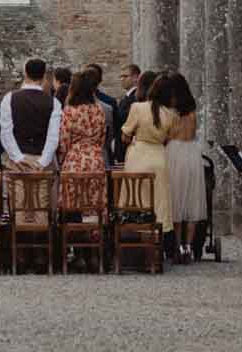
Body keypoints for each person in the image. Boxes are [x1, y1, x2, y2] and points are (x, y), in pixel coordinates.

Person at [119, 70, 175, 241]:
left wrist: (135, 138)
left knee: (135, 197)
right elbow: (167, 139)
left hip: (138, 155)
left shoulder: (138, 108)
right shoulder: (170, 113)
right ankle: (159, 238)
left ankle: (135, 236)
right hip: (158, 155)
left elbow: (125, 135)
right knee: (158, 201)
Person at [161, 72, 209, 261]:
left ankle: (177, 246)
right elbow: (193, 132)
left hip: (175, 151)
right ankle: (188, 246)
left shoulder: (171, 113)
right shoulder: (191, 111)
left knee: (176, 200)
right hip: (192, 152)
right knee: (191, 200)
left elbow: (168, 135)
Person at [57, 68, 111, 213]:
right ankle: (95, 232)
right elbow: (102, 136)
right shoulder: (99, 109)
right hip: (95, 158)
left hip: (74, 159)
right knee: (94, 203)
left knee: (72, 205)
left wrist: (63, 158)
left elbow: (64, 140)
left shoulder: (69, 110)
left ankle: (73, 233)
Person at [0, 57, 64, 171]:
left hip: (16, 164)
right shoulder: (54, 103)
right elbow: (53, 136)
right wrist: (42, 162)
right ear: (44, 76)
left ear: (25, 73)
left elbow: (6, 132)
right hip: (42, 162)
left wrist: (18, 157)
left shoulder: (9, 98)